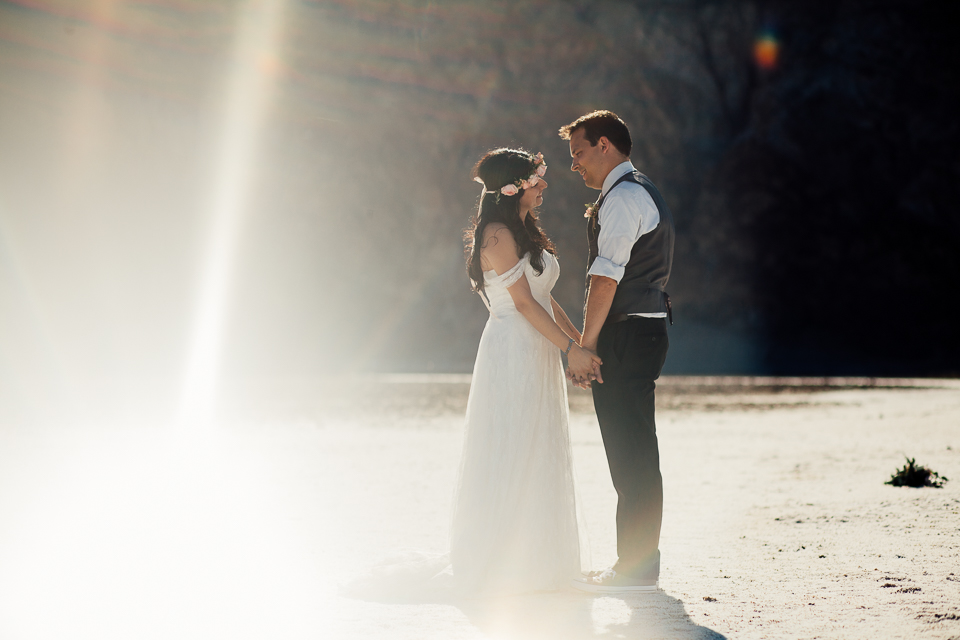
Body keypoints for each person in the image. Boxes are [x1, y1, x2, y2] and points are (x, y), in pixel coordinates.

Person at [452, 148, 595, 595]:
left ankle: (540, 558)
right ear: (512, 186)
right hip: (511, 351)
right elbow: (522, 304)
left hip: (536, 347)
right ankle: (504, 563)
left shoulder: (523, 230)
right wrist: (569, 349)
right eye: (537, 179)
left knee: (539, 443)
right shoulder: (494, 234)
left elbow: (545, 296)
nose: (544, 185)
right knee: (513, 444)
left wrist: (581, 343)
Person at [560, 111, 675, 593]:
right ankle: (637, 560)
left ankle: (636, 564)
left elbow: (605, 278)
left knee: (630, 452)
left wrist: (586, 347)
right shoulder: (637, 190)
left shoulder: (625, 198)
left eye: (579, 154)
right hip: (642, 331)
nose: (575, 166)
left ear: (605, 145)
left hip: (627, 335)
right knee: (635, 450)